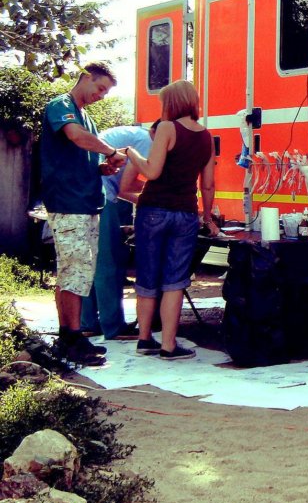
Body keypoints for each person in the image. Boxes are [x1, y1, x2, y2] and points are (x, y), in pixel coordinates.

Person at [40, 61, 128, 366]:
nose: (101, 96)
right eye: (100, 88)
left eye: (106, 93)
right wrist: (111, 152)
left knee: (74, 272)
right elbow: (76, 137)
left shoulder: (86, 116)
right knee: (75, 271)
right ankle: (73, 337)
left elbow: (80, 154)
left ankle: (69, 336)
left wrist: (102, 168)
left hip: (85, 202)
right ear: (86, 77)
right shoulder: (61, 106)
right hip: (69, 202)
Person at [125, 80, 218, 360]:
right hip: (186, 213)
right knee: (175, 280)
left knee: (148, 275)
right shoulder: (206, 137)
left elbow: (152, 172)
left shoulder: (167, 128)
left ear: (172, 103)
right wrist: (207, 216)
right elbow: (208, 184)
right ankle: (168, 345)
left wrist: (131, 153)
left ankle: (144, 339)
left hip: (153, 210)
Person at [79, 123, 156, 341]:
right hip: (101, 196)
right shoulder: (149, 143)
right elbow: (127, 187)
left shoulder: (135, 135)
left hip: (87, 194)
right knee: (108, 263)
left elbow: (126, 186)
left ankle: (88, 322)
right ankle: (113, 326)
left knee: (90, 262)